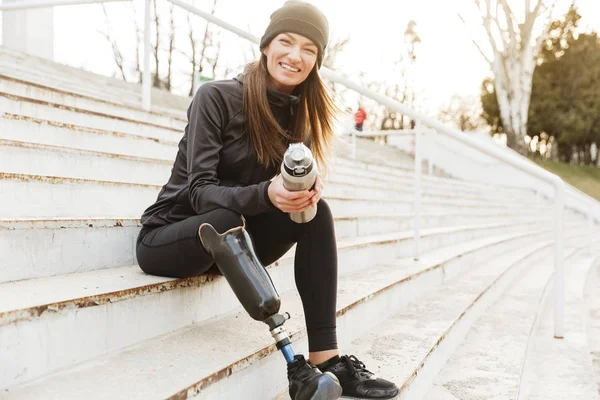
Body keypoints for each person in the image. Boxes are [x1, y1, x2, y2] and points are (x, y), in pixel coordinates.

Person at [136, 1, 399, 399]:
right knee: (223, 218)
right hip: (174, 235)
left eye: (309, 49)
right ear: (265, 46)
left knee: (316, 213)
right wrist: (267, 193)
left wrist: (303, 193)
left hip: (235, 247)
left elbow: (285, 199)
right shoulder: (216, 97)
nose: (295, 56)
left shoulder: (302, 117)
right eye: (287, 42)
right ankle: (295, 366)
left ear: (316, 61)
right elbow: (199, 193)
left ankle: (327, 358)